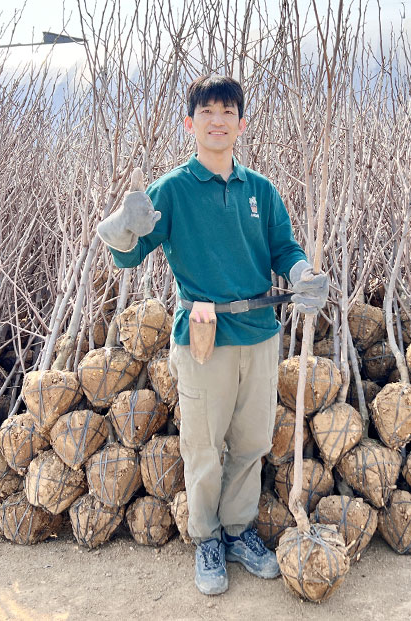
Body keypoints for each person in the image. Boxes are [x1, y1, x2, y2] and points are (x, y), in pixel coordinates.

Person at [97, 75, 328, 596]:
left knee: (250, 442)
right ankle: (206, 538)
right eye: (207, 111)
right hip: (203, 335)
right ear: (190, 123)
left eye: (227, 111)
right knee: (203, 445)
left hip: (260, 332)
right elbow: (129, 254)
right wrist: (119, 226)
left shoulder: (261, 190)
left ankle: (238, 531)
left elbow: (284, 249)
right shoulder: (173, 188)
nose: (218, 120)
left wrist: (302, 274)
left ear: (242, 124)